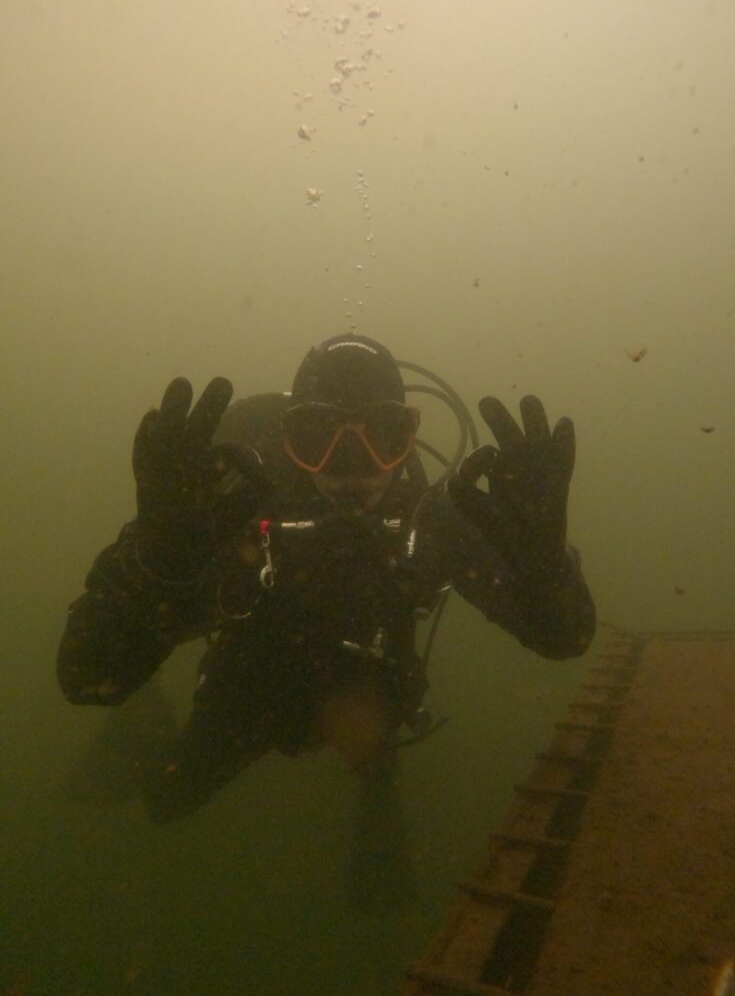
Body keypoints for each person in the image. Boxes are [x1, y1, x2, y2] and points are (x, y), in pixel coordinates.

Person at [57, 334, 595, 903]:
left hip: (370, 680)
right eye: (317, 438)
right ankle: (149, 716)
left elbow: (565, 636)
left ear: (410, 440)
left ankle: (376, 772)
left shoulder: (434, 521)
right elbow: (86, 677)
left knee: (375, 733)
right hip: (254, 681)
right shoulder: (225, 516)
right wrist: (157, 564)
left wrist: (544, 569)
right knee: (166, 803)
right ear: (288, 441)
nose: (351, 467)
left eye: (384, 437)